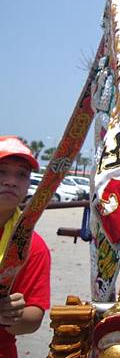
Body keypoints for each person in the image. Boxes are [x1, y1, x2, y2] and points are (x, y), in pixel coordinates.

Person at [0, 136, 51, 358]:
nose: (11, 181)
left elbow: (33, 319)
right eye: (1, 171)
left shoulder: (33, 245)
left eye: (21, 174)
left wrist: (12, 315)